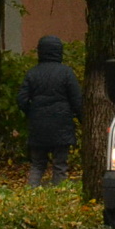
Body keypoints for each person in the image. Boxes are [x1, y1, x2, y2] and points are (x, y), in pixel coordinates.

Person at [17, 35, 83, 187]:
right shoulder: (66, 73)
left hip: (38, 125)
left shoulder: (32, 73)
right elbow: (77, 100)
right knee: (60, 164)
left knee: (37, 164)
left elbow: (21, 99)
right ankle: (59, 194)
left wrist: (31, 113)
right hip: (62, 124)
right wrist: (82, 119)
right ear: (59, 51)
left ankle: (30, 193)